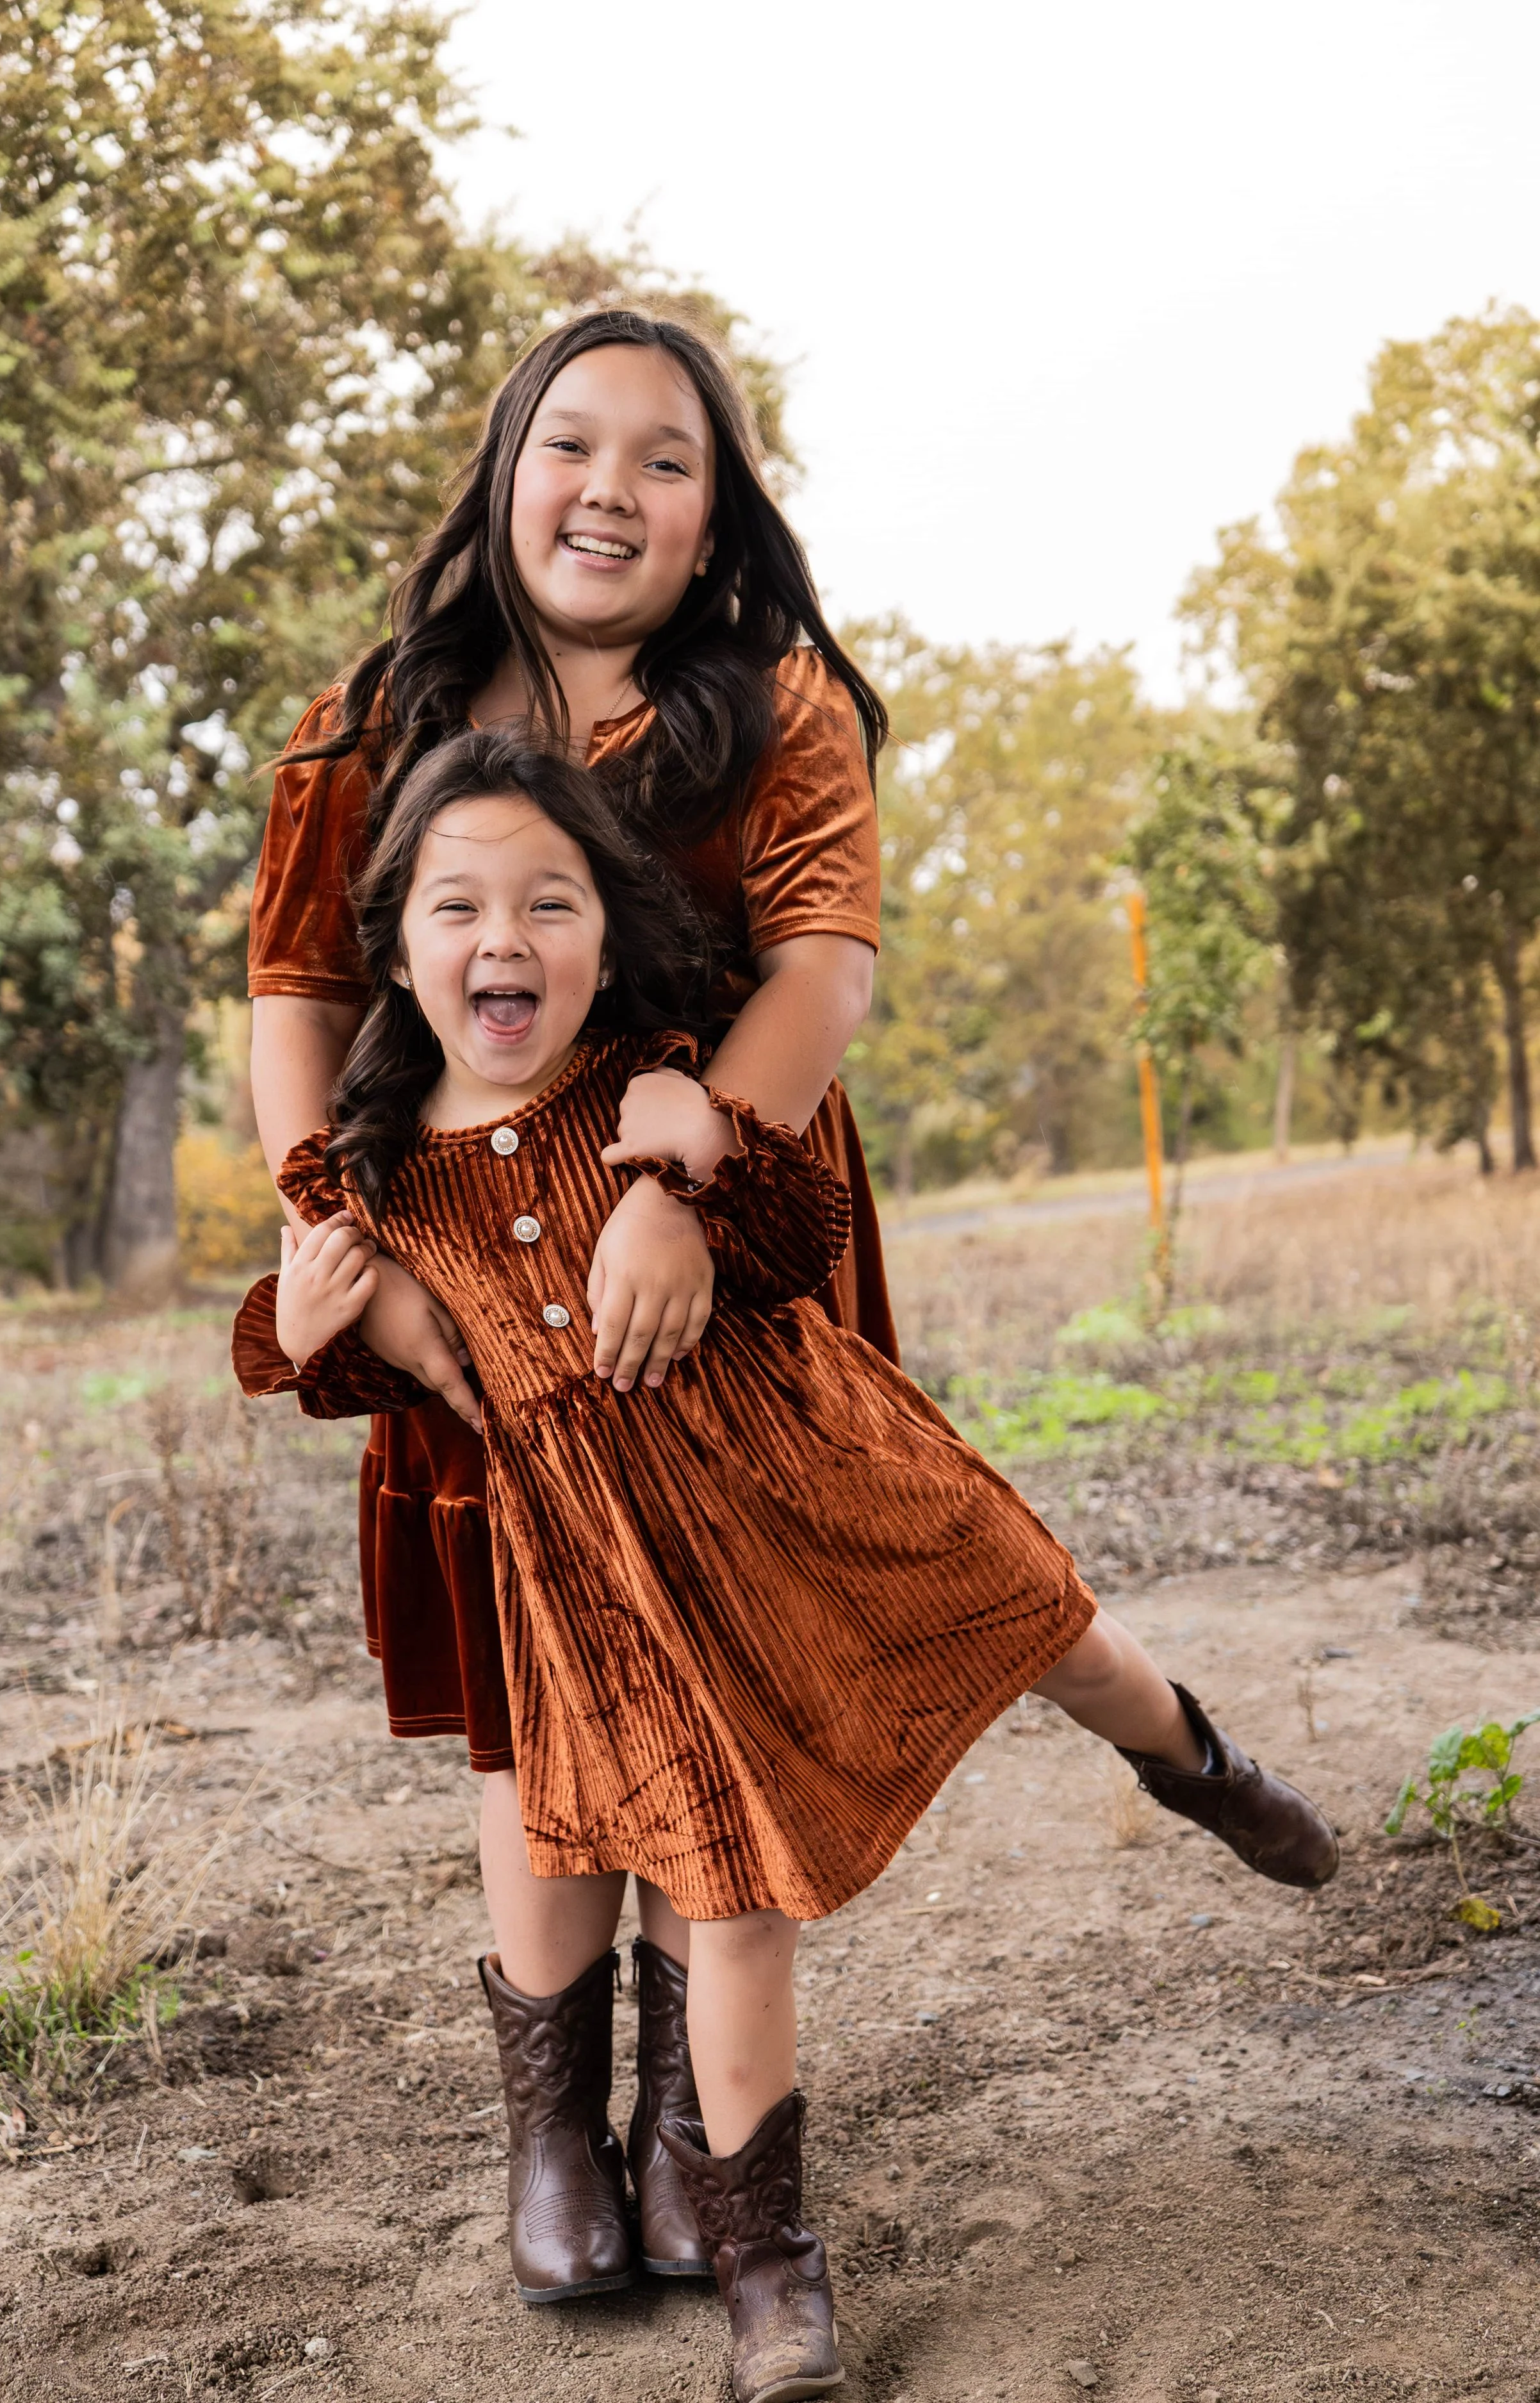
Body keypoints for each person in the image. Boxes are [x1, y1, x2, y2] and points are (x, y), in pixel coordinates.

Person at [234, 732, 1340, 2403]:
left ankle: (1187, 1750)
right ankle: (771, 2275)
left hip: (822, 1476)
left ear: (608, 928)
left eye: (550, 898)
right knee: (733, 1895)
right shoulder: (380, 1181)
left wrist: (700, 1154)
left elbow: (802, 1228)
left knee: (1053, 1630)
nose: (503, 937)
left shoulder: (654, 1084)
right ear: (399, 943)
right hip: (618, 1592)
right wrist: (289, 1331)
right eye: (458, 904)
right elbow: (315, 1347)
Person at [246, 313, 895, 2299]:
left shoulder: (774, 709)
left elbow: (821, 976)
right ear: (506, 465)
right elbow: (300, 994)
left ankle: (700, 2133)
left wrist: (674, 1187)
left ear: (718, 518)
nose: (610, 487)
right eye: (572, 443)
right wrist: (342, 1245)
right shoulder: (371, 718)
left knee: (717, 1664)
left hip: (719, 1249)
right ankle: (553, 2127)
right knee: (538, 1683)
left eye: (667, 459)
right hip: (458, 1252)